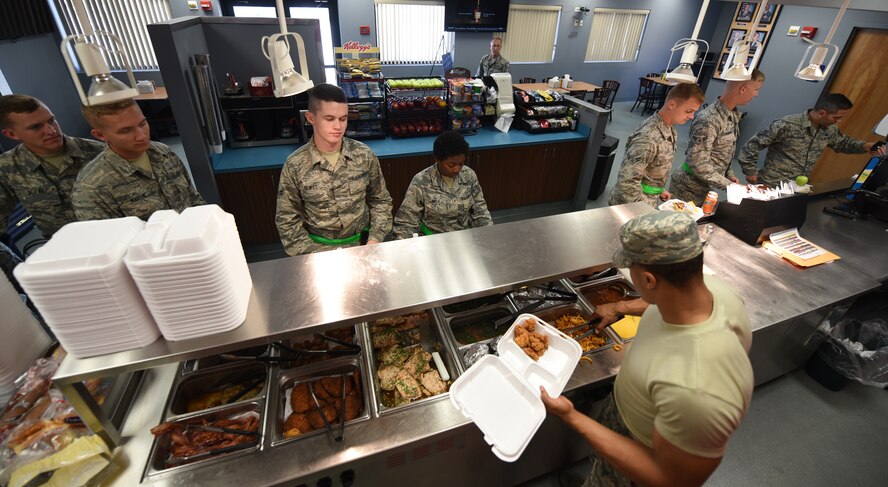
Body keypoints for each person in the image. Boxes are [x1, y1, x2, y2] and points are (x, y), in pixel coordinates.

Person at [541, 211, 753, 487]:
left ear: (650, 280)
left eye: (632, 271)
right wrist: (621, 306)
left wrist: (572, 417)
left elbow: (671, 479)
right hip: (626, 414)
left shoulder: (699, 390)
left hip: (639, 459)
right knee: (599, 470)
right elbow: (660, 302)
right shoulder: (711, 289)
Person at [275, 84, 392, 255]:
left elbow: (381, 201)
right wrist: (317, 256)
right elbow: (287, 221)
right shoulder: (295, 165)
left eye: (343, 118)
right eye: (329, 119)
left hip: (363, 248)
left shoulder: (363, 155)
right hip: (317, 255)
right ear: (310, 118)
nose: (338, 126)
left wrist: (374, 239)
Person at [72, 99, 206, 221]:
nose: (141, 136)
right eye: (126, 131)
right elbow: (109, 243)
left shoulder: (163, 153)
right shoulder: (92, 188)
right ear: (100, 135)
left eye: (142, 124)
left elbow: (193, 198)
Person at [0, 95, 104, 240]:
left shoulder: (99, 152)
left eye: (51, 120)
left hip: (112, 238)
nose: (51, 131)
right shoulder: (7, 168)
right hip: (62, 249)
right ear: (11, 134)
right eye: (35, 127)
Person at [738, 93, 887, 186]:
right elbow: (752, 146)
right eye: (836, 118)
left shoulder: (830, 129)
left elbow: (842, 143)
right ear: (822, 112)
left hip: (799, 186)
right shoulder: (787, 124)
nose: (839, 121)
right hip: (771, 184)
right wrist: (750, 172)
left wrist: (866, 145)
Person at [668, 69, 765, 204]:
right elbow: (697, 163)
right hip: (689, 188)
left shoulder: (731, 115)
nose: (756, 94)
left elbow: (722, 152)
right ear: (743, 89)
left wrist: (728, 174)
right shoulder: (709, 119)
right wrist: (730, 186)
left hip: (707, 185)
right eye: (756, 89)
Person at [609, 83, 705, 207]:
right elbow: (627, 184)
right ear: (672, 104)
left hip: (644, 198)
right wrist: (647, 209)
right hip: (629, 206)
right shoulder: (648, 137)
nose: (692, 117)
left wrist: (658, 189)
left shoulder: (669, 127)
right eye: (689, 111)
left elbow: (653, 167)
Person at [393, 131, 492, 239]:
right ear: (437, 159)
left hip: (464, 238)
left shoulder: (469, 175)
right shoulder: (421, 181)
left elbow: (480, 212)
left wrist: (488, 236)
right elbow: (405, 222)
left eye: (461, 164)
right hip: (432, 240)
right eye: (451, 164)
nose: (457, 169)